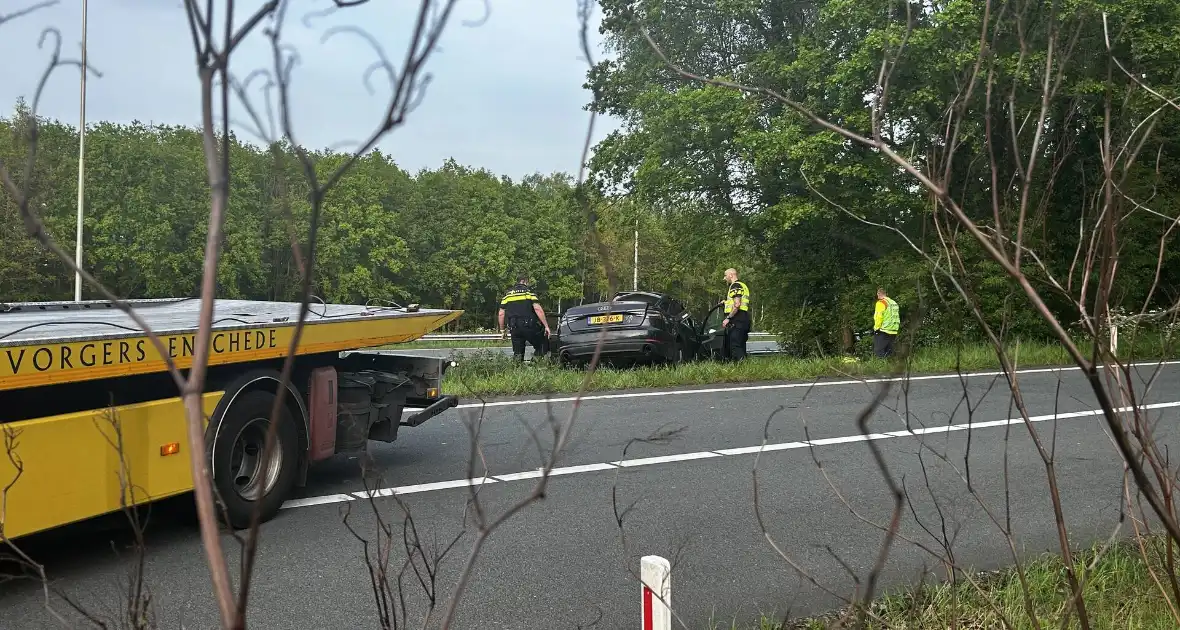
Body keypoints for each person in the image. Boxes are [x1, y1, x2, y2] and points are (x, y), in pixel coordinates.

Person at [498, 273, 551, 362]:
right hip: (529, 326)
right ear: (524, 281)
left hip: (514, 327)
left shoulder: (508, 295)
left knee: (518, 353)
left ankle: (517, 371)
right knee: (542, 345)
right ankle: (534, 363)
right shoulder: (529, 293)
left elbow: (501, 314)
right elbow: (538, 309)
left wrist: (502, 330)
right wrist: (546, 326)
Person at [720, 268, 751, 361]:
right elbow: (736, 301)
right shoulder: (743, 285)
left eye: (725, 276)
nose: (725, 278)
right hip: (744, 318)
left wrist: (728, 318)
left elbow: (737, 304)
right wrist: (725, 302)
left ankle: (741, 367)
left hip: (737, 319)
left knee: (735, 345)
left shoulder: (735, 285)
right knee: (741, 345)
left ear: (731, 275)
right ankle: (745, 368)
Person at [872, 287, 900, 358]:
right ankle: (890, 367)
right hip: (893, 330)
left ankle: (881, 368)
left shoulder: (881, 302)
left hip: (883, 330)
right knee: (889, 352)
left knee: (879, 351)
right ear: (886, 294)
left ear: (878, 294)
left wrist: (876, 328)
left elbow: (878, 317)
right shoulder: (894, 303)